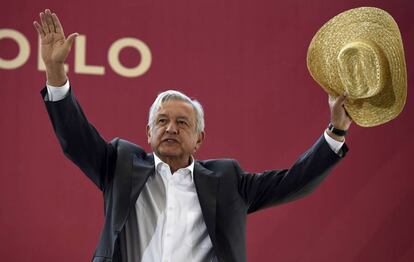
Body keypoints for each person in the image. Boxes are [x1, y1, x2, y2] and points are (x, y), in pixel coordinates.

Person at [34, 9, 352, 262]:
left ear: (199, 139)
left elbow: (293, 181)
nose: (171, 128)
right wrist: (55, 73)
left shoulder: (228, 180)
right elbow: (75, 139)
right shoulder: (120, 164)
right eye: (162, 121)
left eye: (183, 123)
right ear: (148, 132)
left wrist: (336, 131)